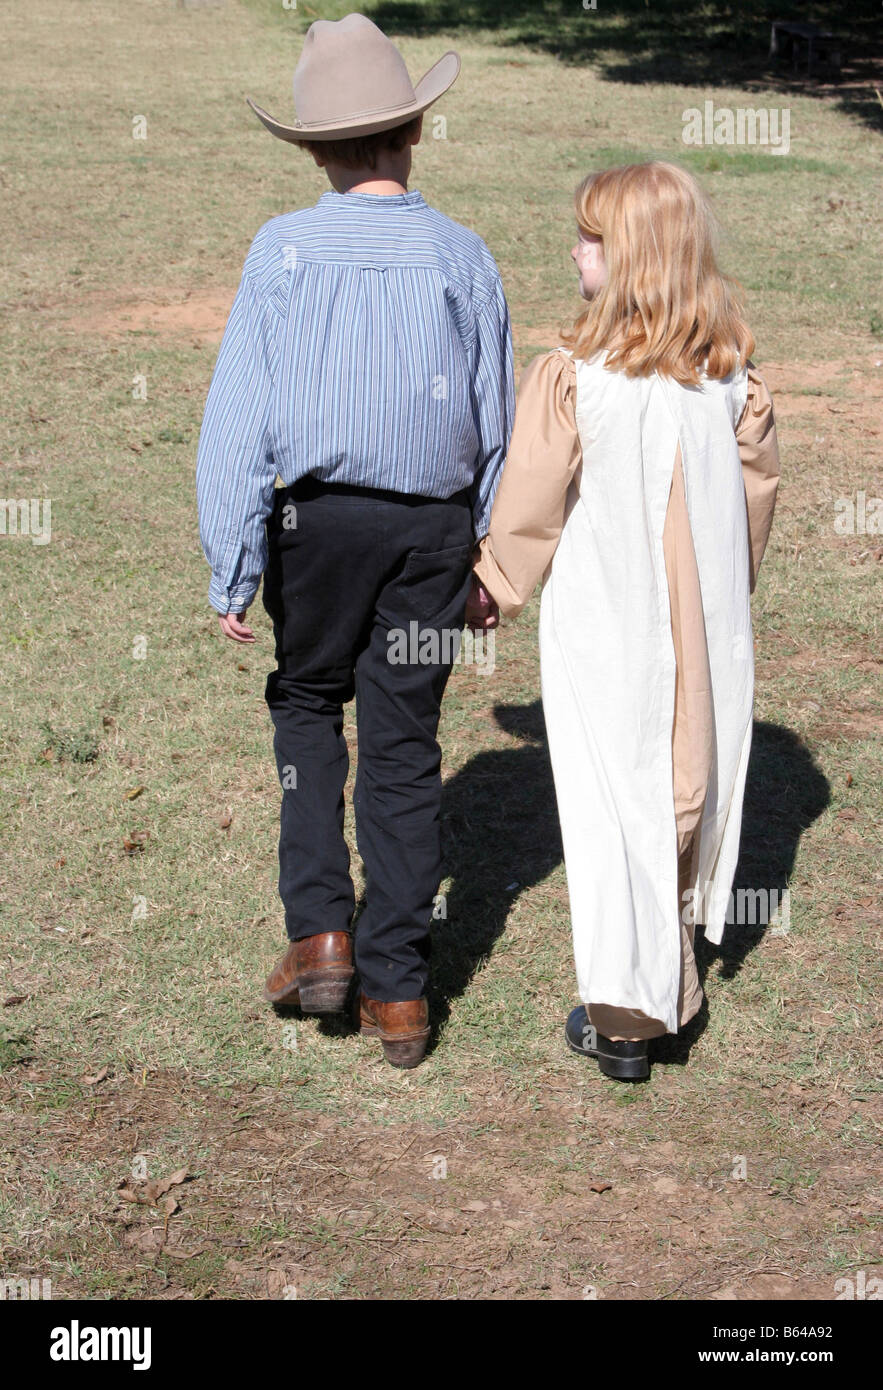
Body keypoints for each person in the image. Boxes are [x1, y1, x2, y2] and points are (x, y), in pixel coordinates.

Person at [196, 15, 514, 1068]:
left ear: (313, 150)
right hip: (430, 535)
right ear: (413, 130)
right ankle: (400, 991)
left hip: (313, 526)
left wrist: (234, 559)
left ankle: (320, 929)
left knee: (304, 701)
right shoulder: (463, 256)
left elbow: (237, 418)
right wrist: (487, 554)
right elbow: (496, 421)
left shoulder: (282, 250)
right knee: (405, 744)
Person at [474, 162, 779, 1080]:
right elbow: (754, 499)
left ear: (637, 257)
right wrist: (727, 584)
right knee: (680, 782)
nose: (574, 248)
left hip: (609, 624)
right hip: (700, 621)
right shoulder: (729, 381)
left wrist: (491, 580)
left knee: (618, 798)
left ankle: (625, 1017)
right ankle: (661, 985)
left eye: (592, 237)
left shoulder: (576, 380)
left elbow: (530, 500)